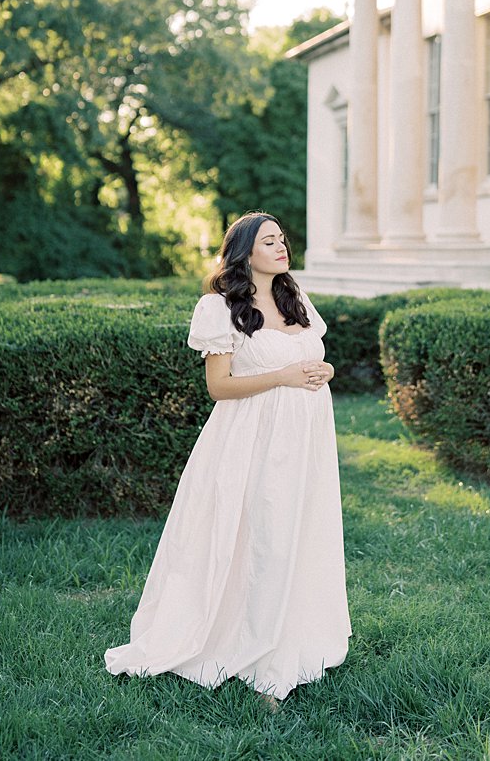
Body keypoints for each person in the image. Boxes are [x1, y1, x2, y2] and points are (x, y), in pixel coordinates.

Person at [104, 211, 351, 705]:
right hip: (250, 439)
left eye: (283, 239)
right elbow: (219, 387)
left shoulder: (293, 296)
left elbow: (307, 355)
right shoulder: (219, 308)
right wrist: (283, 377)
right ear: (244, 252)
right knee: (261, 538)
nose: (281, 248)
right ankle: (255, 654)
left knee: (299, 533)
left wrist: (320, 370)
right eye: (269, 242)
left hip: (305, 439)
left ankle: (290, 638)